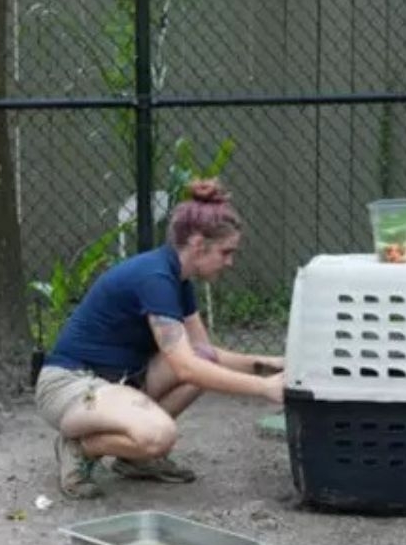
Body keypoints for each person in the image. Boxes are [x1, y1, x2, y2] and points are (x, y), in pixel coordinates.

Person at [34, 177, 285, 499]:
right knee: (158, 435)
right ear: (197, 243)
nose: (230, 262)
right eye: (226, 252)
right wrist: (264, 388)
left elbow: (202, 353)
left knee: (203, 362)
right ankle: (82, 448)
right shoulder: (155, 278)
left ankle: (133, 460)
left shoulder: (178, 279)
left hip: (118, 381)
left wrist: (272, 365)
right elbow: (185, 368)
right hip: (70, 385)